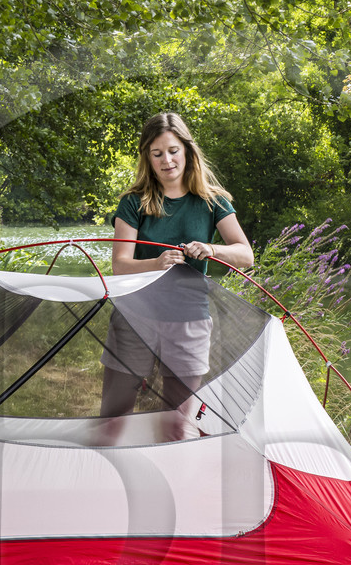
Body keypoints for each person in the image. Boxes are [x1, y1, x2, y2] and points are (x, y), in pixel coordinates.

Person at [100, 111, 254, 442]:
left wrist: (212, 250)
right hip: (134, 319)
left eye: (173, 151)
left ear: (187, 151)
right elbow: (120, 265)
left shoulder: (212, 202)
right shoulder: (133, 202)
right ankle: (103, 480)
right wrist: (155, 263)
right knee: (112, 420)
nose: (167, 160)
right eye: (157, 154)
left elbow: (245, 255)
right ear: (147, 159)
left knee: (177, 425)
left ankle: (177, 489)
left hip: (189, 322)